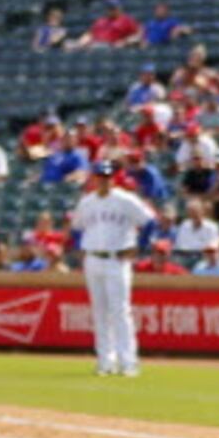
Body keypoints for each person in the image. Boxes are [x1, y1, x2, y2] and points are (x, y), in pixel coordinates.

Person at [68, 158, 156, 376]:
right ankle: (105, 361)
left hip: (117, 259)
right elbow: (76, 227)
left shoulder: (125, 200)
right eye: (100, 176)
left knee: (120, 311)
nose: (104, 180)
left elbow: (149, 222)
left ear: (113, 178)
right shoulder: (87, 202)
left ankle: (128, 361)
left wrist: (139, 247)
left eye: (107, 176)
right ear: (94, 178)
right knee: (99, 312)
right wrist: (80, 247)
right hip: (93, 259)